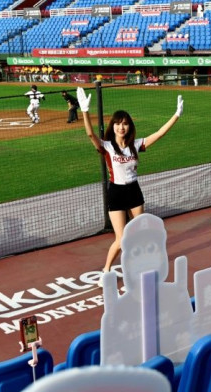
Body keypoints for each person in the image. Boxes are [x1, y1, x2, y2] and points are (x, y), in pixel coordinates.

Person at [76, 87, 183, 286]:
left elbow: (159, 134)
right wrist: (84, 110)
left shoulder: (136, 145)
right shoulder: (107, 146)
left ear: (129, 126)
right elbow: (90, 134)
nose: (121, 127)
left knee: (140, 234)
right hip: (116, 192)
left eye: (125, 124)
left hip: (134, 191)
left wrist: (176, 115)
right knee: (122, 238)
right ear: (113, 126)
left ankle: (140, 268)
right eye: (117, 124)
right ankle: (106, 270)